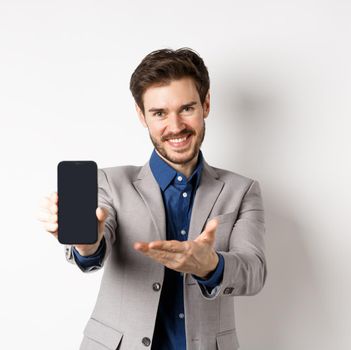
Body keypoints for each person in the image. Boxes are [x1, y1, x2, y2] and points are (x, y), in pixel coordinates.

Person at [38, 48, 267, 350]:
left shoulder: (242, 190)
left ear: (206, 104)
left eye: (187, 109)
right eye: (159, 113)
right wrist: (87, 242)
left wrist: (211, 265)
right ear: (141, 115)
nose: (175, 127)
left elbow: (254, 272)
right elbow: (95, 246)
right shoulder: (111, 182)